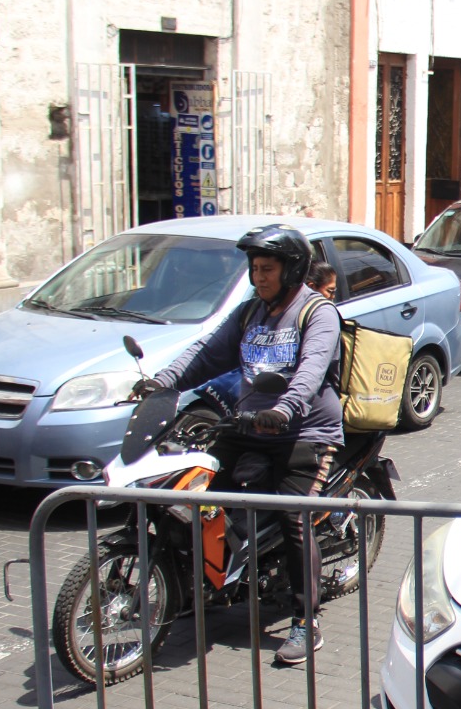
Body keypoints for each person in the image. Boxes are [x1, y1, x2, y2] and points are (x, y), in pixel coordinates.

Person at [136, 223, 345, 666]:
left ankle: (305, 620)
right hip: (249, 425)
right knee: (197, 495)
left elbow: (310, 370)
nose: (258, 277)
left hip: (303, 432)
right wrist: (162, 383)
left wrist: (286, 408)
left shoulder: (317, 313)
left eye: (267, 269)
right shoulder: (251, 312)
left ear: (291, 269)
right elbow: (205, 354)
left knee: (295, 517)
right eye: (254, 269)